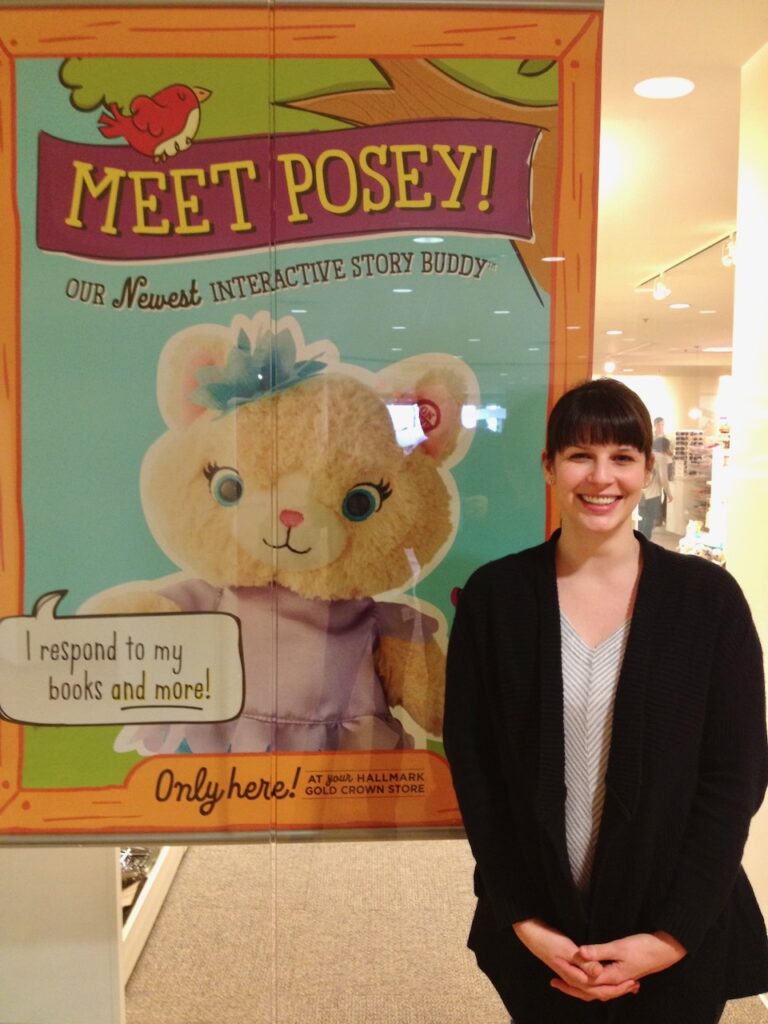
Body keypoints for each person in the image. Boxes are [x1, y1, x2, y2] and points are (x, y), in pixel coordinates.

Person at [444, 378, 768, 1023]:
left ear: (648, 471)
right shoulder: (497, 597)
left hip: (674, 925)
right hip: (543, 925)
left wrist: (670, 936)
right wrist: (523, 918)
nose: (601, 477)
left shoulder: (707, 601)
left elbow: (736, 778)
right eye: (580, 456)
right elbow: (475, 766)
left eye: (622, 457)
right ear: (548, 466)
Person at [638, 434, 672, 539]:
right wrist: (669, 494)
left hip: (641, 493)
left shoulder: (645, 454)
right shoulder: (661, 457)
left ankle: (638, 541)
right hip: (653, 494)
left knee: (642, 519)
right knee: (649, 519)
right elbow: (663, 478)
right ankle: (645, 544)